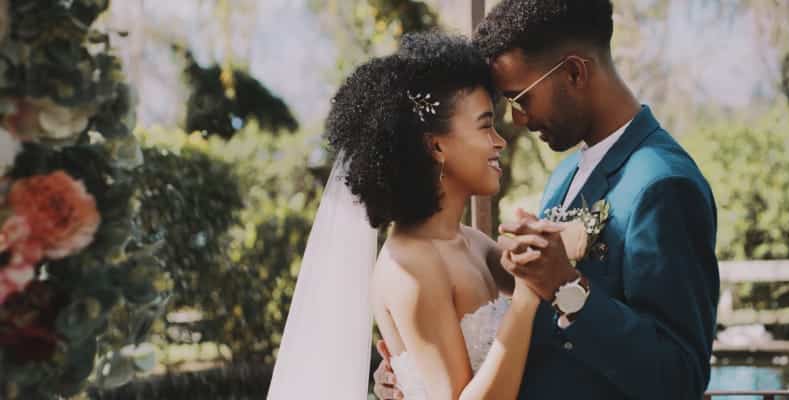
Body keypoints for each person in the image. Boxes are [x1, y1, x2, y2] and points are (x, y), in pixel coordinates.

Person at [373, 1, 719, 399]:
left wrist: (568, 287)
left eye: (521, 99)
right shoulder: (564, 176)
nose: (517, 120)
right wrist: (413, 371)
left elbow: (680, 378)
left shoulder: (662, 184)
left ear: (574, 72)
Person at [268, 32, 577, 400]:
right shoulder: (409, 266)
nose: (500, 141)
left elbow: (555, 276)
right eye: (484, 125)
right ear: (436, 146)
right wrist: (524, 301)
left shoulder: (471, 241)